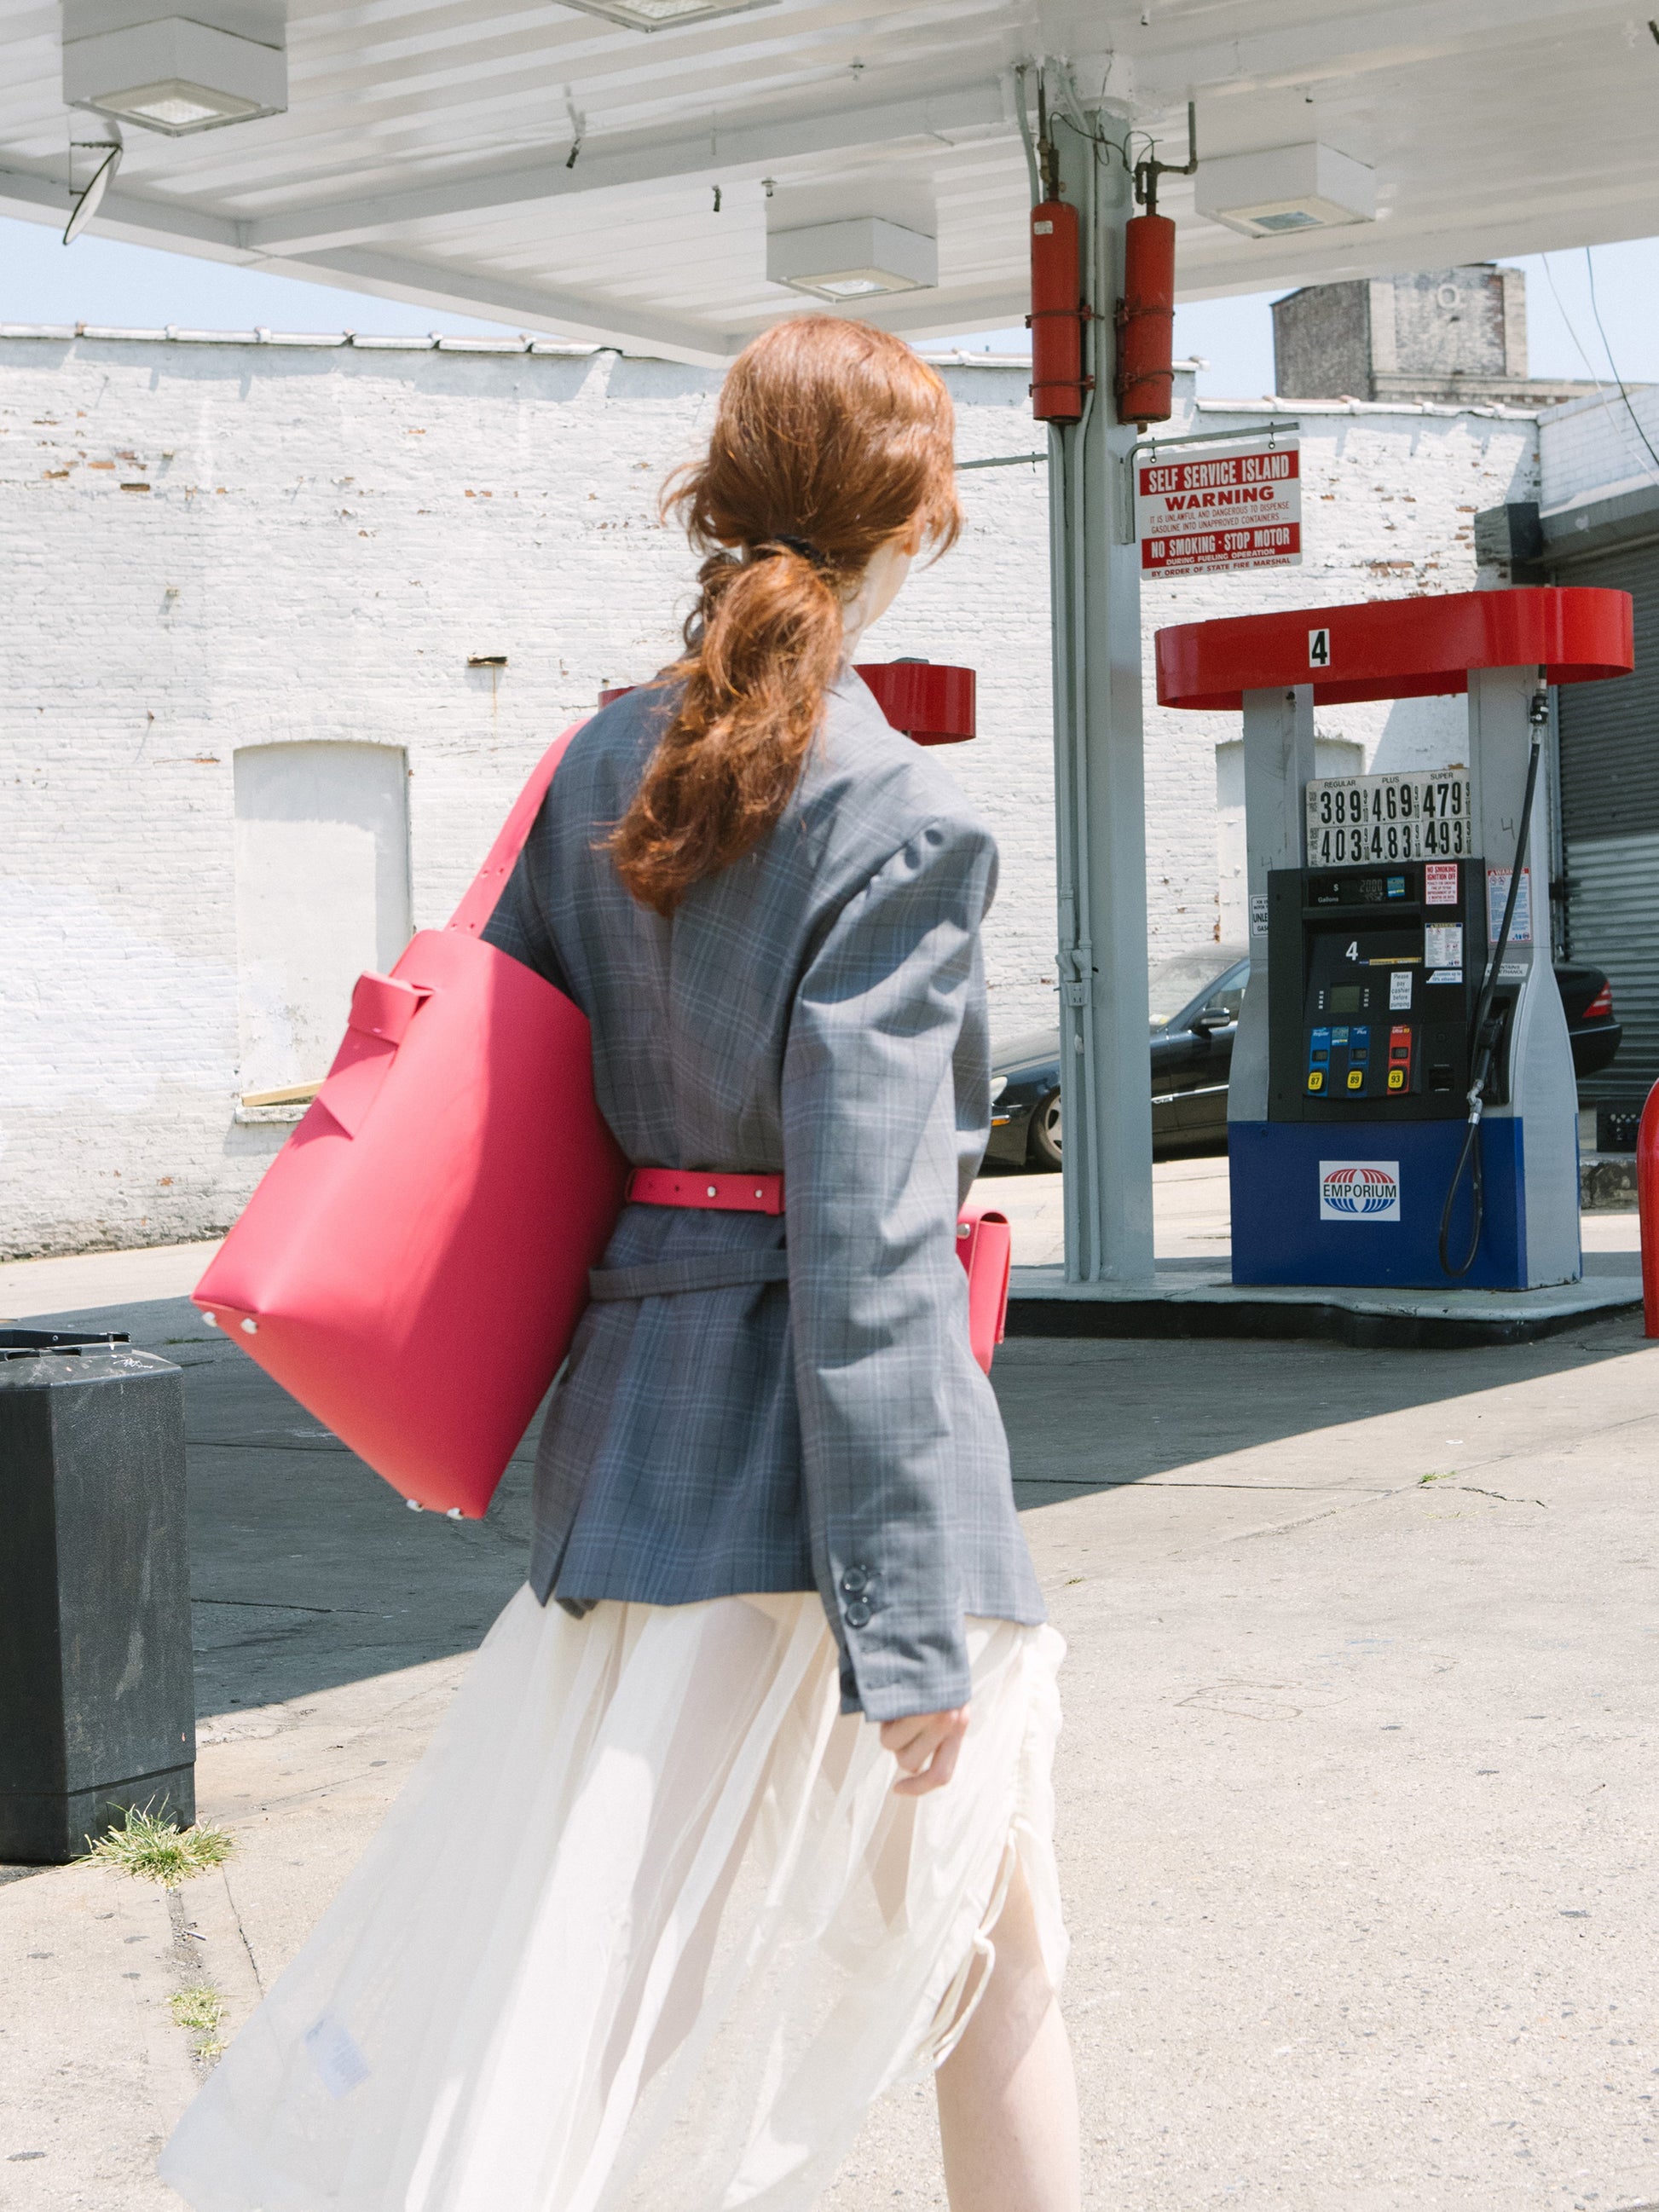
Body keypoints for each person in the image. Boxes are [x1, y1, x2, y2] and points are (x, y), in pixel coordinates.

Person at [159, 315, 1078, 2212]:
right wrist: (907, 1623)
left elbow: (512, 1100)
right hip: (833, 1492)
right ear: (906, 516)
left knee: (590, 1983)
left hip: (630, 1454)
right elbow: (871, 1246)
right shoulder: (897, 817)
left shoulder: (597, 763)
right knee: (993, 1972)